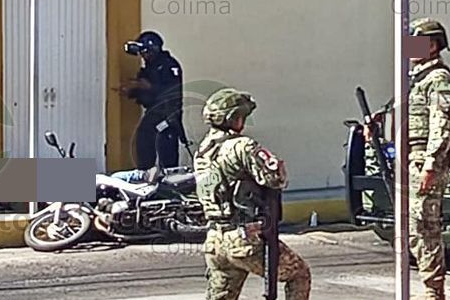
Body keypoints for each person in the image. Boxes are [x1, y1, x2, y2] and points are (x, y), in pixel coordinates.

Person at [193, 88, 310, 300]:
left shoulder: (203, 150)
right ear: (235, 119)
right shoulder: (242, 146)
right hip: (244, 239)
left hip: (215, 240)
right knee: (299, 274)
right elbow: (276, 178)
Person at [407, 18, 450, 300]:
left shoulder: (438, 80)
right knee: (414, 228)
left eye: (416, 42)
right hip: (412, 158)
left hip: (426, 161)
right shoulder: (417, 79)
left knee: (425, 227)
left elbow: (442, 126)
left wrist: (430, 164)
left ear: (432, 46)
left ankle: (433, 292)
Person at [118, 31, 185, 170]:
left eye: (146, 52)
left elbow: (172, 92)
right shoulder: (149, 68)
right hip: (153, 112)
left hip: (168, 114)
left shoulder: (169, 66)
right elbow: (146, 93)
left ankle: (170, 182)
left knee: (166, 148)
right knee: (144, 141)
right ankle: (146, 176)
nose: (143, 56)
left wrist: (147, 86)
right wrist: (131, 90)